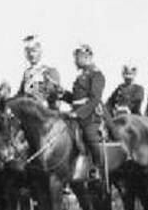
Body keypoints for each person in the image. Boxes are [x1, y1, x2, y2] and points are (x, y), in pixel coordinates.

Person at [61, 44, 107, 180]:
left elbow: (94, 99)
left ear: (87, 57)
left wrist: (79, 113)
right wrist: (63, 94)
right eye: (75, 57)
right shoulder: (81, 75)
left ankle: (97, 168)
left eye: (78, 57)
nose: (75, 61)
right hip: (75, 114)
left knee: (90, 135)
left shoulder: (96, 74)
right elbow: (76, 99)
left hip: (90, 115)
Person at [18, 35, 62, 109]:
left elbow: (54, 96)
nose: (31, 54)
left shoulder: (50, 72)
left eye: (34, 51)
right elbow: (21, 94)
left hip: (45, 113)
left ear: (40, 51)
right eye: (28, 51)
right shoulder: (27, 73)